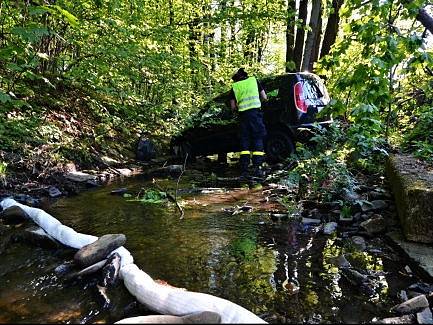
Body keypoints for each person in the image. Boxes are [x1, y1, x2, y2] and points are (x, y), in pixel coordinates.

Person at [229, 68, 267, 179]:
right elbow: (264, 97)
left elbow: (232, 107)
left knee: (244, 142)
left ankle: (244, 169)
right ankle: (257, 168)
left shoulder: (235, 87)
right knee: (258, 139)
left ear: (235, 78)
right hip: (256, 115)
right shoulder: (254, 81)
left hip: (243, 117)